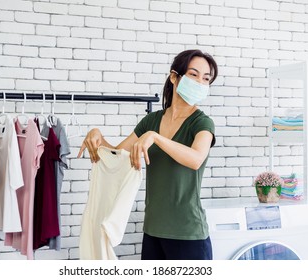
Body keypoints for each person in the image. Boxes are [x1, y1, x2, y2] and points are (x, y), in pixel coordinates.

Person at [77, 49, 218, 260]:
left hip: (188, 234)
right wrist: (97, 135)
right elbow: (118, 156)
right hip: (153, 231)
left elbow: (196, 159)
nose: (200, 82)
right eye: (193, 74)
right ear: (174, 77)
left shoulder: (202, 123)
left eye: (206, 79)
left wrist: (157, 138)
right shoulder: (151, 121)